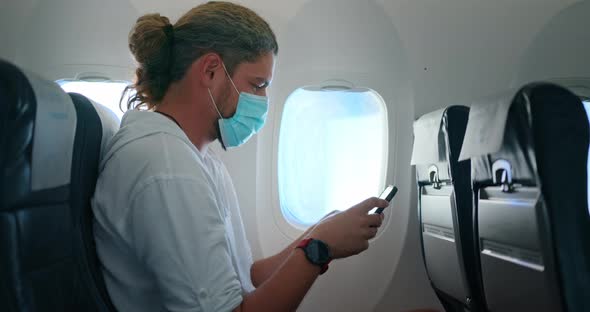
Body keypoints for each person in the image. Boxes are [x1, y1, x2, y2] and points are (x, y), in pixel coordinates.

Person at [91, 1, 389, 311]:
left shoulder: (196, 160)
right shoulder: (167, 169)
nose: (263, 101)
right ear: (210, 71)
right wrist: (319, 248)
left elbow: (247, 276)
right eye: (257, 85)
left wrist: (316, 232)